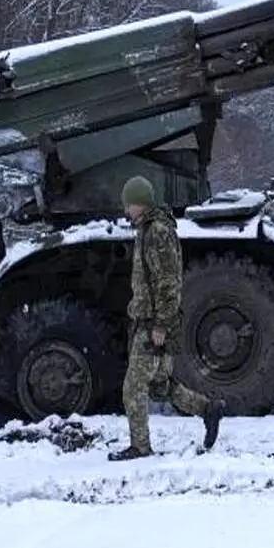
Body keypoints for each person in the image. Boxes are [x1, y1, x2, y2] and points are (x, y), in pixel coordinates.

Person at [108, 176, 226, 461]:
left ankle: (140, 446)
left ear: (140, 203)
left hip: (154, 324)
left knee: (133, 389)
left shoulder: (157, 232)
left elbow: (168, 282)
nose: (126, 211)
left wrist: (160, 324)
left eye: (129, 205)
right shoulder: (148, 229)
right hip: (151, 321)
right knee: (160, 386)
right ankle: (208, 409)